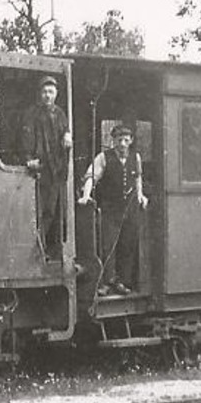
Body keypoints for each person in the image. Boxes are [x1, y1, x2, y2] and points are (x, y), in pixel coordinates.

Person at [78, 123, 148, 295]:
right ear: (113, 141)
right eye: (119, 140)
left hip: (130, 208)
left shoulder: (135, 157)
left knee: (127, 244)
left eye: (125, 140)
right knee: (108, 246)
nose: (122, 144)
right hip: (110, 209)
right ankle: (107, 283)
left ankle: (122, 282)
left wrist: (141, 195)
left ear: (130, 141)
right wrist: (86, 195)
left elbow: (138, 178)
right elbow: (91, 177)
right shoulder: (103, 157)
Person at [20, 75, 72, 261]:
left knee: (54, 212)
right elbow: (26, 139)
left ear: (56, 94)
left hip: (56, 171)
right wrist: (28, 159)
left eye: (50, 92)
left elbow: (65, 133)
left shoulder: (60, 114)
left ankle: (50, 251)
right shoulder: (32, 114)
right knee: (40, 212)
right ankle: (39, 251)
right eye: (44, 92)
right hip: (40, 169)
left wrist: (67, 138)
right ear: (39, 94)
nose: (47, 95)